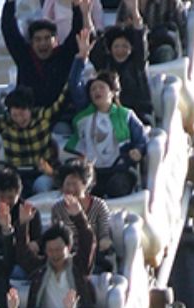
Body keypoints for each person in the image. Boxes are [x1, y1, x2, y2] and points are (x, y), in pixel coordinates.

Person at [0, 56, 85, 196]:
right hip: (18, 176)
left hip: (44, 172)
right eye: (15, 115)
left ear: (30, 109)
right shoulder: (5, 124)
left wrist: (80, 59)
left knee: (42, 186)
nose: (19, 119)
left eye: (23, 114)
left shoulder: (43, 118)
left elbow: (63, 99)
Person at [67, 31, 148, 199]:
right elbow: (74, 85)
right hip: (92, 172)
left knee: (117, 187)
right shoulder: (86, 115)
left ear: (112, 93)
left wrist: (138, 150)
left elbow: (141, 137)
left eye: (101, 88)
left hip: (119, 169)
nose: (96, 91)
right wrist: (81, 58)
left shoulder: (125, 115)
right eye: (93, 89)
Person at [24, 218, 99, 308]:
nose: (55, 255)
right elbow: (22, 253)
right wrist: (23, 225)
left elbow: (88, 242)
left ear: (68, 248)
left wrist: (79, 217)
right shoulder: (40, 270)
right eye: (50, 250)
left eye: (59, 249)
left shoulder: (78, 266)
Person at [2, 0, 87, 109]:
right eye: (38, 39)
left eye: (47, 38)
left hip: (59, 116)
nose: (43, 43)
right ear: (31, 42)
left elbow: (77, 31)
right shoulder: (24, 57)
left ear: (55, 40)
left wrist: (76, 6)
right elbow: (9, 30)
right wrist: (10, 3)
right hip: (30, 117)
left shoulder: (63, 55)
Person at [89, 10, 154, 125]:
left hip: (139, 115)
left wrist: (134, 12)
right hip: (111, 115)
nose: (120, 50)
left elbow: (140, 39)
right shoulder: (105, 64)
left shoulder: (137, 63)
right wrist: (86, 14)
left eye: (125, 46)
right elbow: (93, 45)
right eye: (116, 46)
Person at [51, 160, 115, 272]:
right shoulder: (58, 208)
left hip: (93, 254)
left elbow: (105, 233)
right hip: (67, 255)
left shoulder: (99, 205)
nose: (70, 189)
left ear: (85, 185)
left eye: (74, 184)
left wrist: (104, 240)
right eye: (67, 184)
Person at [116, 0, 186, 64]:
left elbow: (179, 34)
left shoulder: (170, 3)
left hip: (160, 48)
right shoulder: (126, 4)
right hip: (137, 52)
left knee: (165, 51)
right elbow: (118, 36)